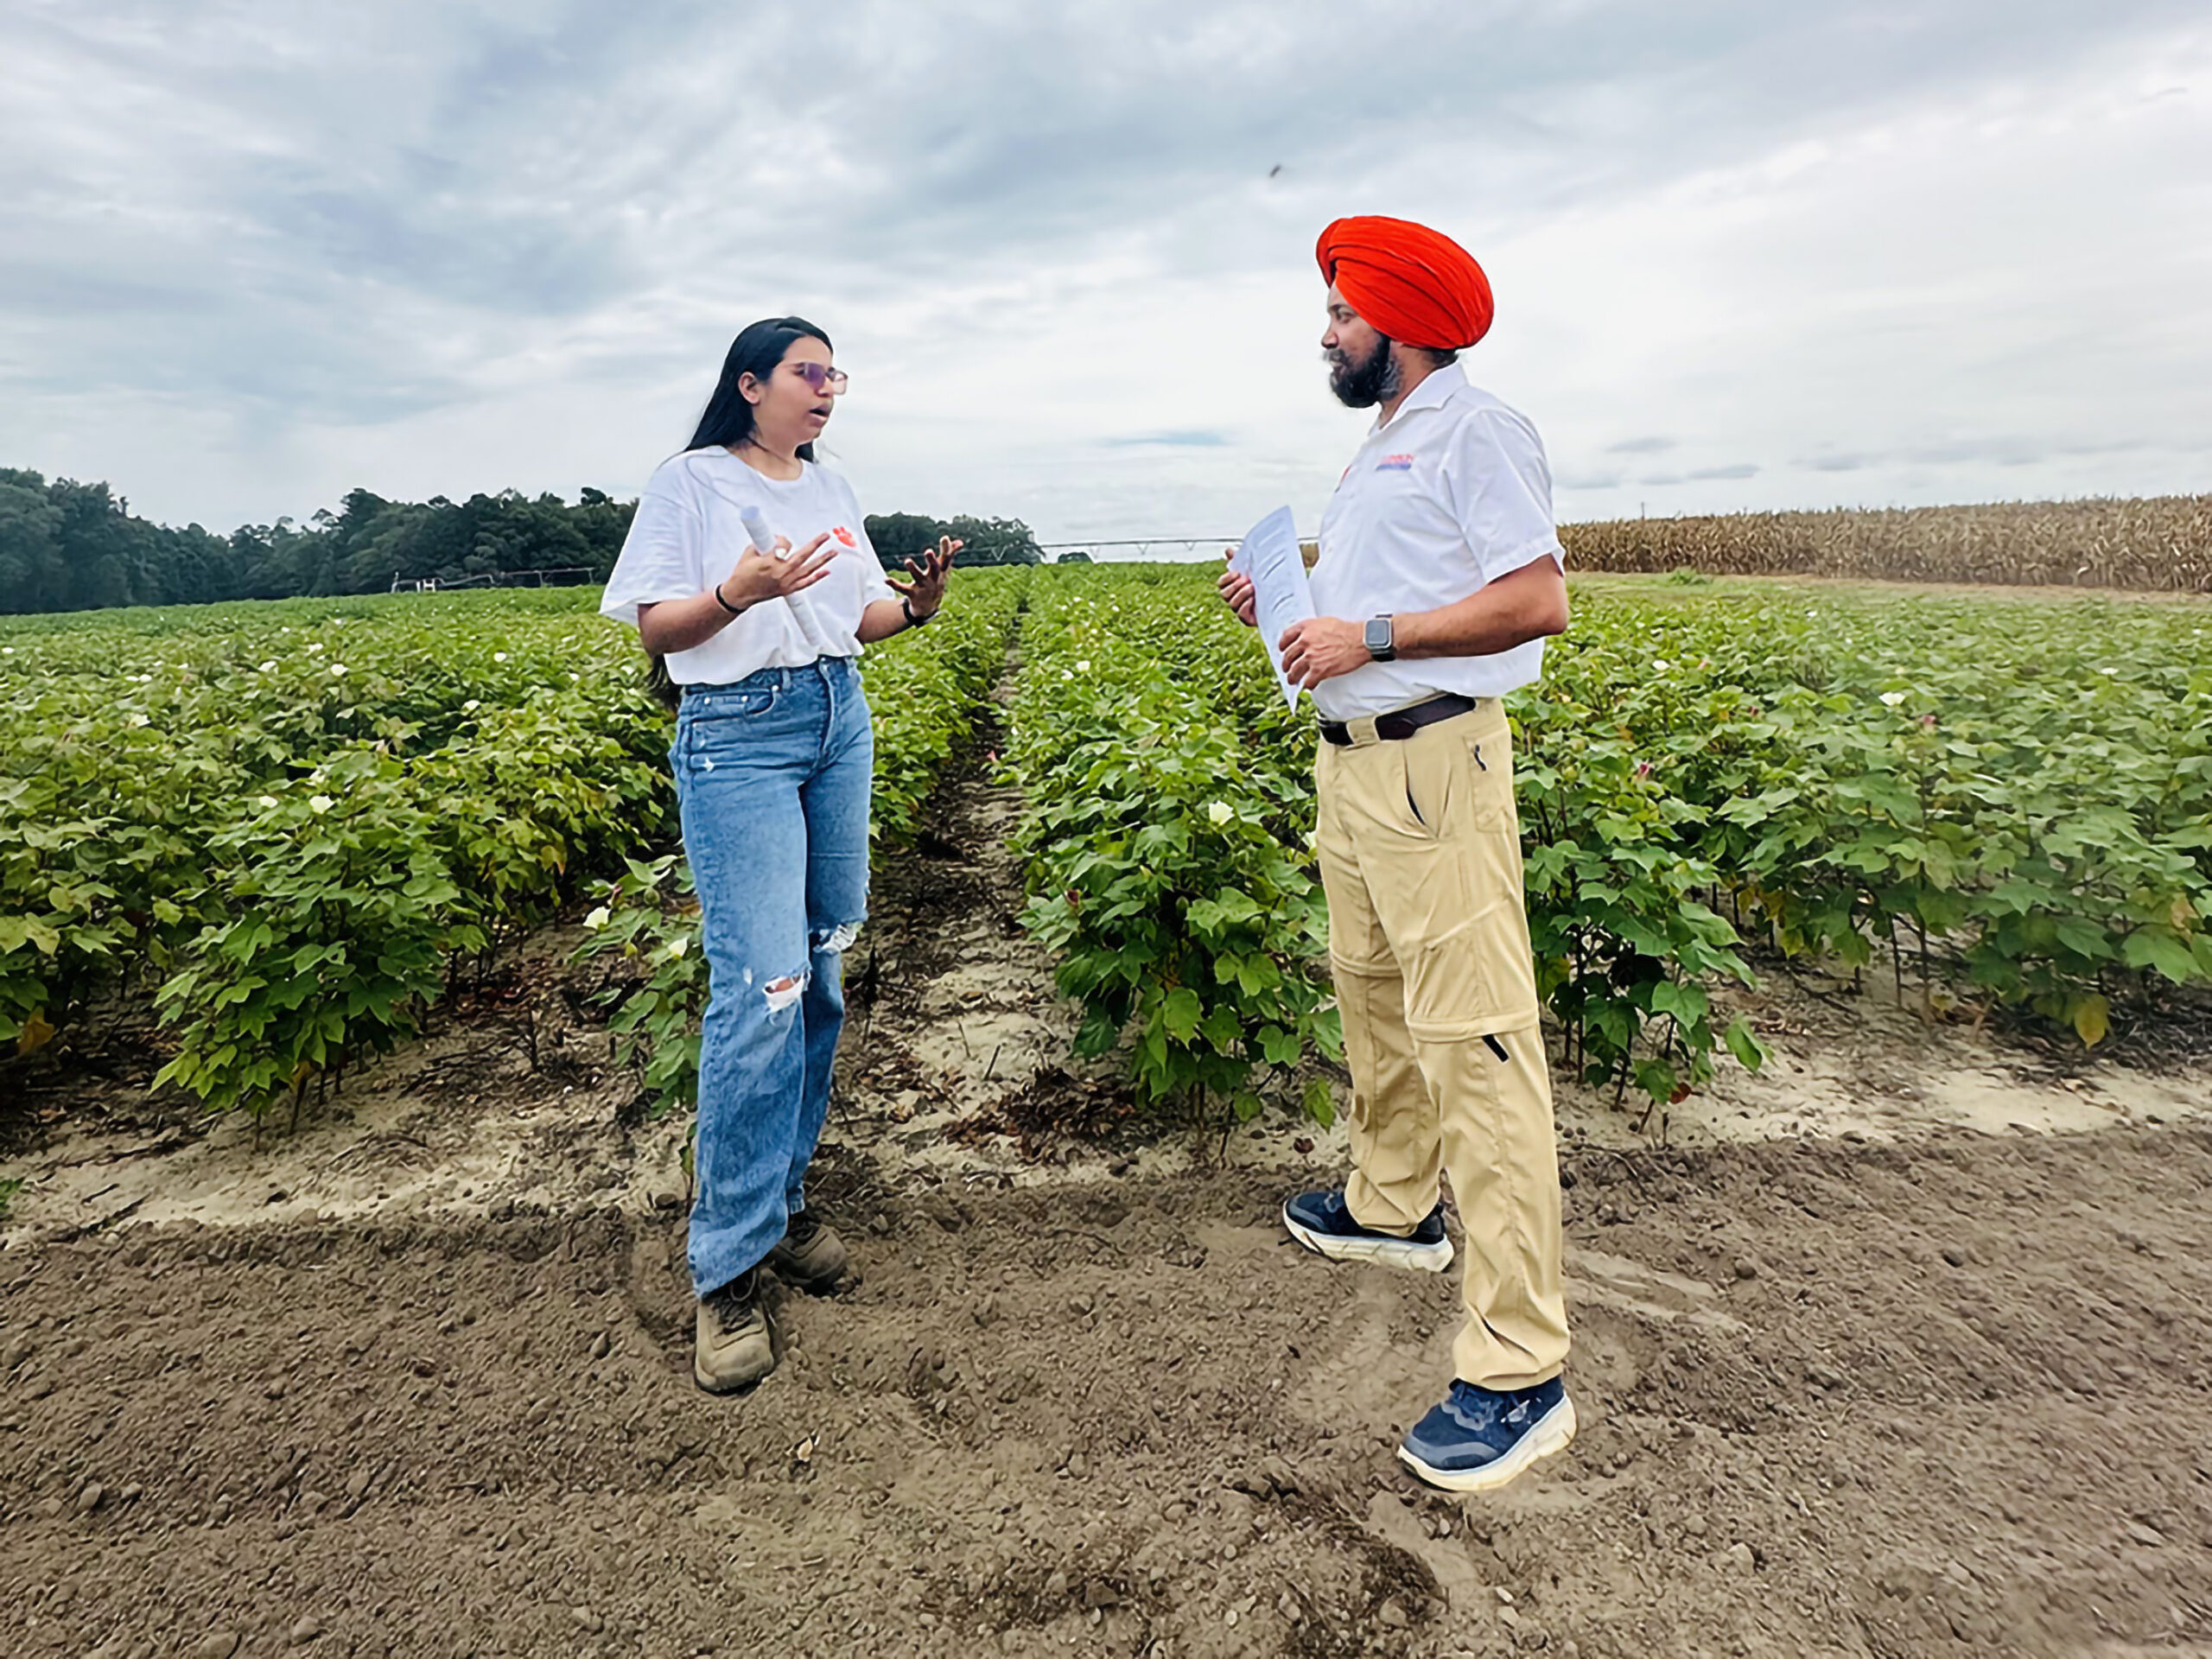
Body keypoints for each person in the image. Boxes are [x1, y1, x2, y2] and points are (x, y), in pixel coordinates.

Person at [1219, 218, 1575, 1492]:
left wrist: (1366, 631)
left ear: (1401, 321)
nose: (1325, 331)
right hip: (1356, 765)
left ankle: (1520, 1370)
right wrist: (1294, 608)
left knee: (1475, 1048)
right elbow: (1388, 602)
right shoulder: (1387, 444)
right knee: (1371, 998)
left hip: (1434, 769)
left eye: (1339, 310)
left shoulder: (1480, 430)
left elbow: (1537, 601)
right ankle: (1391, 1208)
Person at [600, 316, 957, 1395]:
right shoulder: (693, 484)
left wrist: (918, 607)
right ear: (749, 384)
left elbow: (858, 618)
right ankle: (727, 1268)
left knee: (822, 978)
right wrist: (735, 594)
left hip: (834, 720)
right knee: (761, 991)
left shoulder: (830, 490)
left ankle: (782, 1200)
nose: (828, 389)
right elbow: (660, 627)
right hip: (738, 736)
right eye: (810, 372)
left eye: (835, 374)